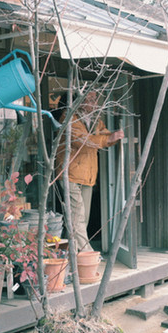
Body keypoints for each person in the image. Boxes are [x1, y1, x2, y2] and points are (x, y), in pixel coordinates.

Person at [55, 91, 124, 252]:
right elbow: (83, 142)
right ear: (80, 101)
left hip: (87, 175)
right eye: (91, 99)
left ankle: (68, 253)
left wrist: (111, 137)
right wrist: (108, 138)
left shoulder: (93, 119)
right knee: (77, 217)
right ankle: (87, 255)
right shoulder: (69, 117)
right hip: (70, 173)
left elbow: (104, 133)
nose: (95, 103)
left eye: (95, 99)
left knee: (80, 219)